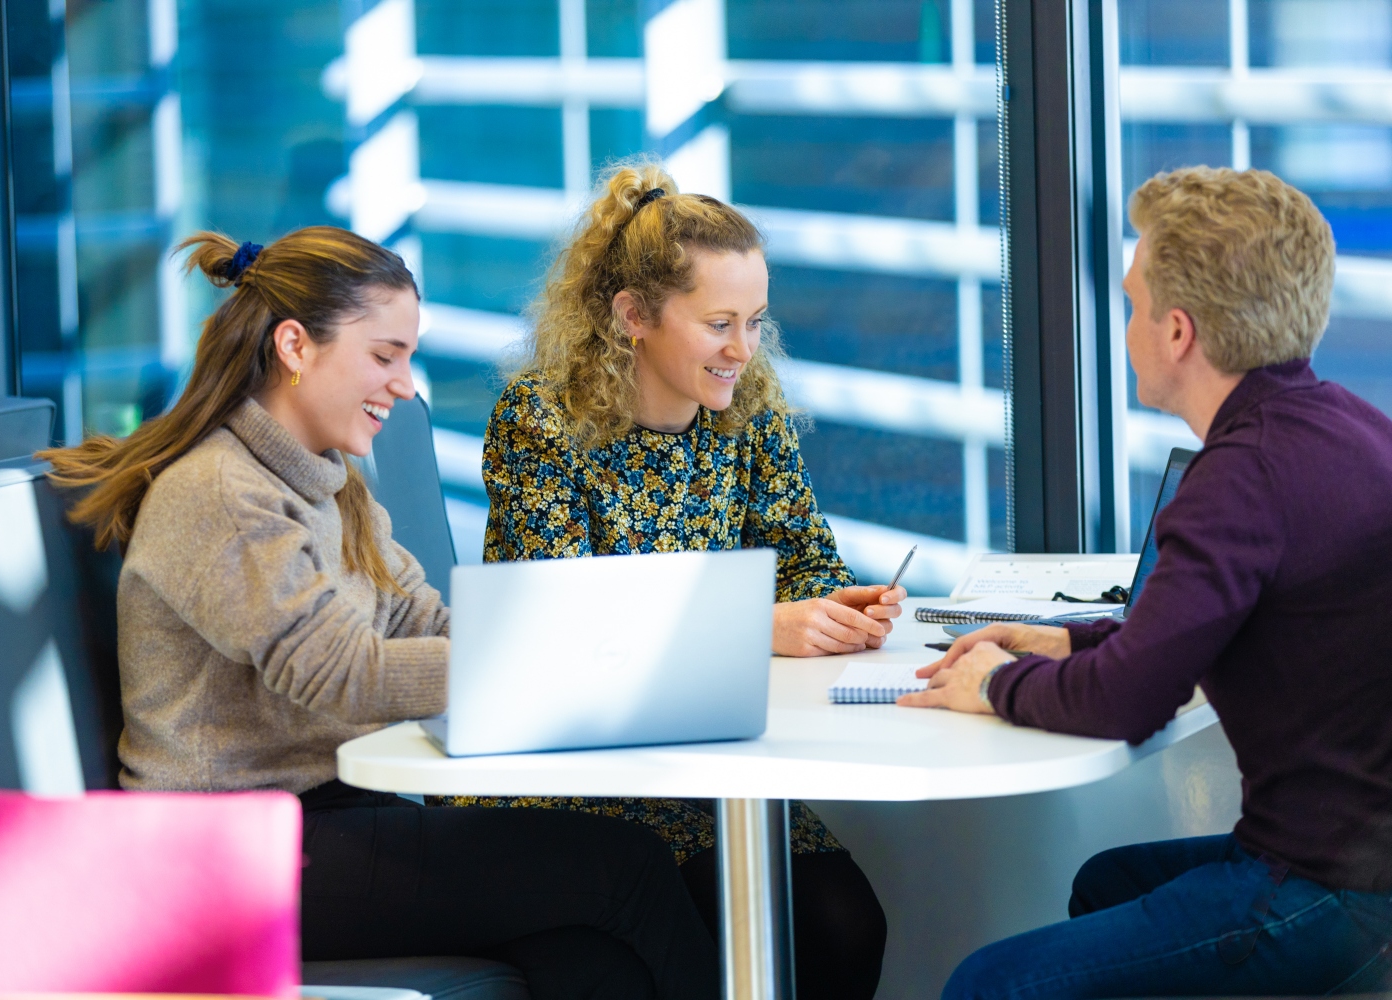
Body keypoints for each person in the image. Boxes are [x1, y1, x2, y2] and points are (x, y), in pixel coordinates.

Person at [41, 227, 718, 1000]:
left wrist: (585, 650)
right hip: (227, 856)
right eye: (384, 355)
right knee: (626, 865)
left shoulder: (330, 483)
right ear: (295, 346)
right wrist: (533, 666)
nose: (402, 385)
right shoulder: (222, 493)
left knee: (587, 954)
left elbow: (418, 620)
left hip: (327, 817)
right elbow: (338, 672)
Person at [903, 166, 1392, 997]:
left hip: (1324, 892)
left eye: (1132, 304)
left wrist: (992, 684)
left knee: (987, 985)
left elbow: (1130, 702)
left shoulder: (1240, 476)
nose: (1125, 326)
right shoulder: (1346, 423)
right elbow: (1203, 629)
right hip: (1359, 869)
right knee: (1107, 883)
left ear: (1176, 332)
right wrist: (1068, 640)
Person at [442, 162, 894, 1000]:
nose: (743, 350)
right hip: (572, 773)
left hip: (709, 764)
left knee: (842, 922)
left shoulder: (749, 410)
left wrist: (838, 604)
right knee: (698, 940)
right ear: (633, 316)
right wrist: (757, 627)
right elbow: (565, 624)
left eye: (755, 321)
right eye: (719, 323)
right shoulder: (540, 420)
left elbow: (801, 554)